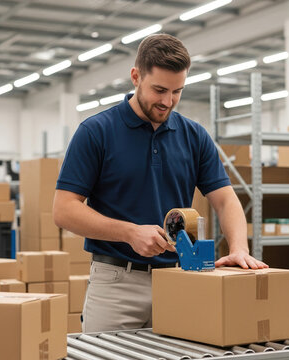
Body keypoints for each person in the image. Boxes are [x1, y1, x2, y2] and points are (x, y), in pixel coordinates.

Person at [52, 33, 267, 333]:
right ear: (135, 76)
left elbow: (225, 199)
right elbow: (63, 210)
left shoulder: (195, 136)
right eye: (159, 90)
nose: (168, 101)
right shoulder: (96, 132)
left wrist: (240, 248)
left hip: (178, 277)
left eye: (177, 91)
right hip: (116, 283)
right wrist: (129, 233)